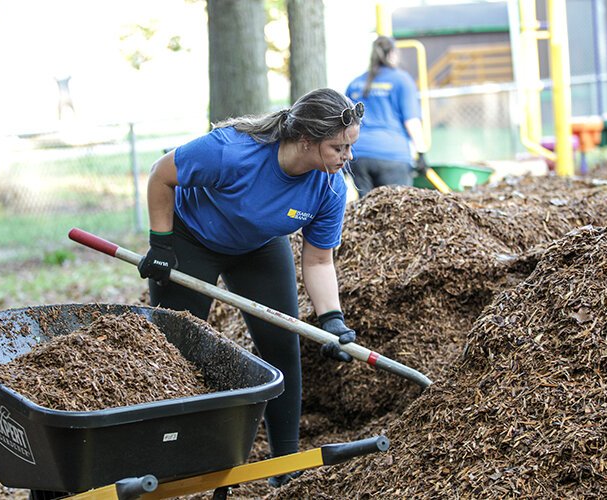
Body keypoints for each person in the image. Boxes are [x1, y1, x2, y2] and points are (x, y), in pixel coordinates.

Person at [138, 88, 362, 488]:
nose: (348, 158)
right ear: (307, 140)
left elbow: (318, 260)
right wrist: (160, 243)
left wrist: (332, 319)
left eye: (350, 147)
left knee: (282, 345)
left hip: (258, 247)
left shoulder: (329, 188)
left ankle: (284, 464)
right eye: (339, 148)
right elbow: (160, 175)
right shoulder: (231, 151)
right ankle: (166, 462)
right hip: (191, 239)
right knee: (176, 350)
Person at [345, 35, 428, 196]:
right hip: (392, 156)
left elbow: (344, 122)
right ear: (392, 54)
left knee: (367, 210)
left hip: (358, 155)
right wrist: (422, 153)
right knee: (396, 210)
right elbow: (411, 121)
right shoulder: (402, 80)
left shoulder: (355, 83)